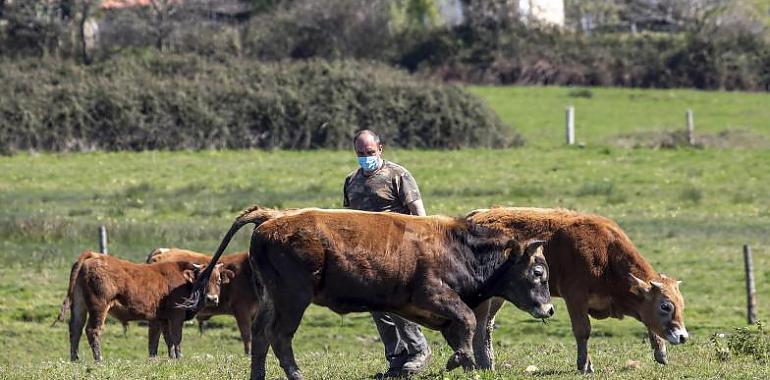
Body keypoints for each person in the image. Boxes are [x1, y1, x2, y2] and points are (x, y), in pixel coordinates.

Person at [343, 129, 431, 378]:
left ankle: (418, 350)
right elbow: (348, 219)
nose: (365, 157)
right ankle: (396, 358)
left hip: (398, 251)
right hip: (367, 256)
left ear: (380, 149)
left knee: (396, 302)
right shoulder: (352, 181)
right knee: (377, 307)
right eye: (360, 153)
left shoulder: (398, 175)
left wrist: (420, 248)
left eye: (369, 152)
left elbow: (419, 214)